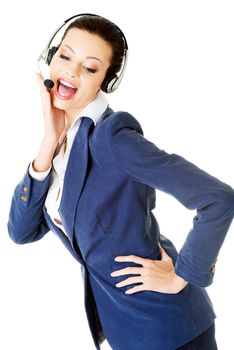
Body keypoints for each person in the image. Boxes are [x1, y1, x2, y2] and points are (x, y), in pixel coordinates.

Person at [8, 13, 234, 350]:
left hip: (169, 330)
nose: (71, 72)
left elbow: (219, 198)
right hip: (128, 332)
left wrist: (180, 276)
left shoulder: (113, 139)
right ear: (50, 56)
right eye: (65, 56)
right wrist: (47, 143)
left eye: (90, 67)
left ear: (105, 81)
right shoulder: (64, 144)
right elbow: (21, 231)